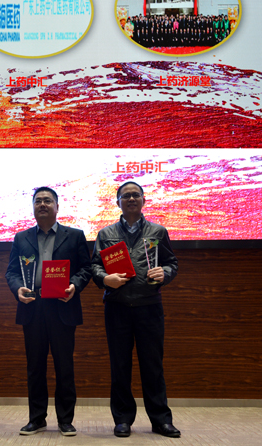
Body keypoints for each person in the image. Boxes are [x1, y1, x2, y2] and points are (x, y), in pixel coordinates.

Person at [91, 181, 180, 439]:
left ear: (143, 200)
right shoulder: (105, 234)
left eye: (135, 195)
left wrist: (165, 273)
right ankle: (122, 420)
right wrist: (104, 278)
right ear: (117, 202)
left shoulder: (158, 231)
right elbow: (95, 266)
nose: (131, 199)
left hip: (149, 306)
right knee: (120, 366)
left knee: (153, 366)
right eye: (126, 196)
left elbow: (171, 263)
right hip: (117, 307)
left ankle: (161, 420)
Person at [5, 187, 91, 437]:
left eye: (47, 201)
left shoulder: (74, 236)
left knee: (64, 366)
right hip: (33, 306)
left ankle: (65, 420)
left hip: (63, 305)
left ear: (57, 207)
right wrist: (17, 288)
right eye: (38, 201)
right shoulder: (21, 238)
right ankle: (37, 418)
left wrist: (74, 285)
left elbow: (85, 269)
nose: (42, 204)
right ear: (33, 207)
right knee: (35, 366)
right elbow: (12, 272)